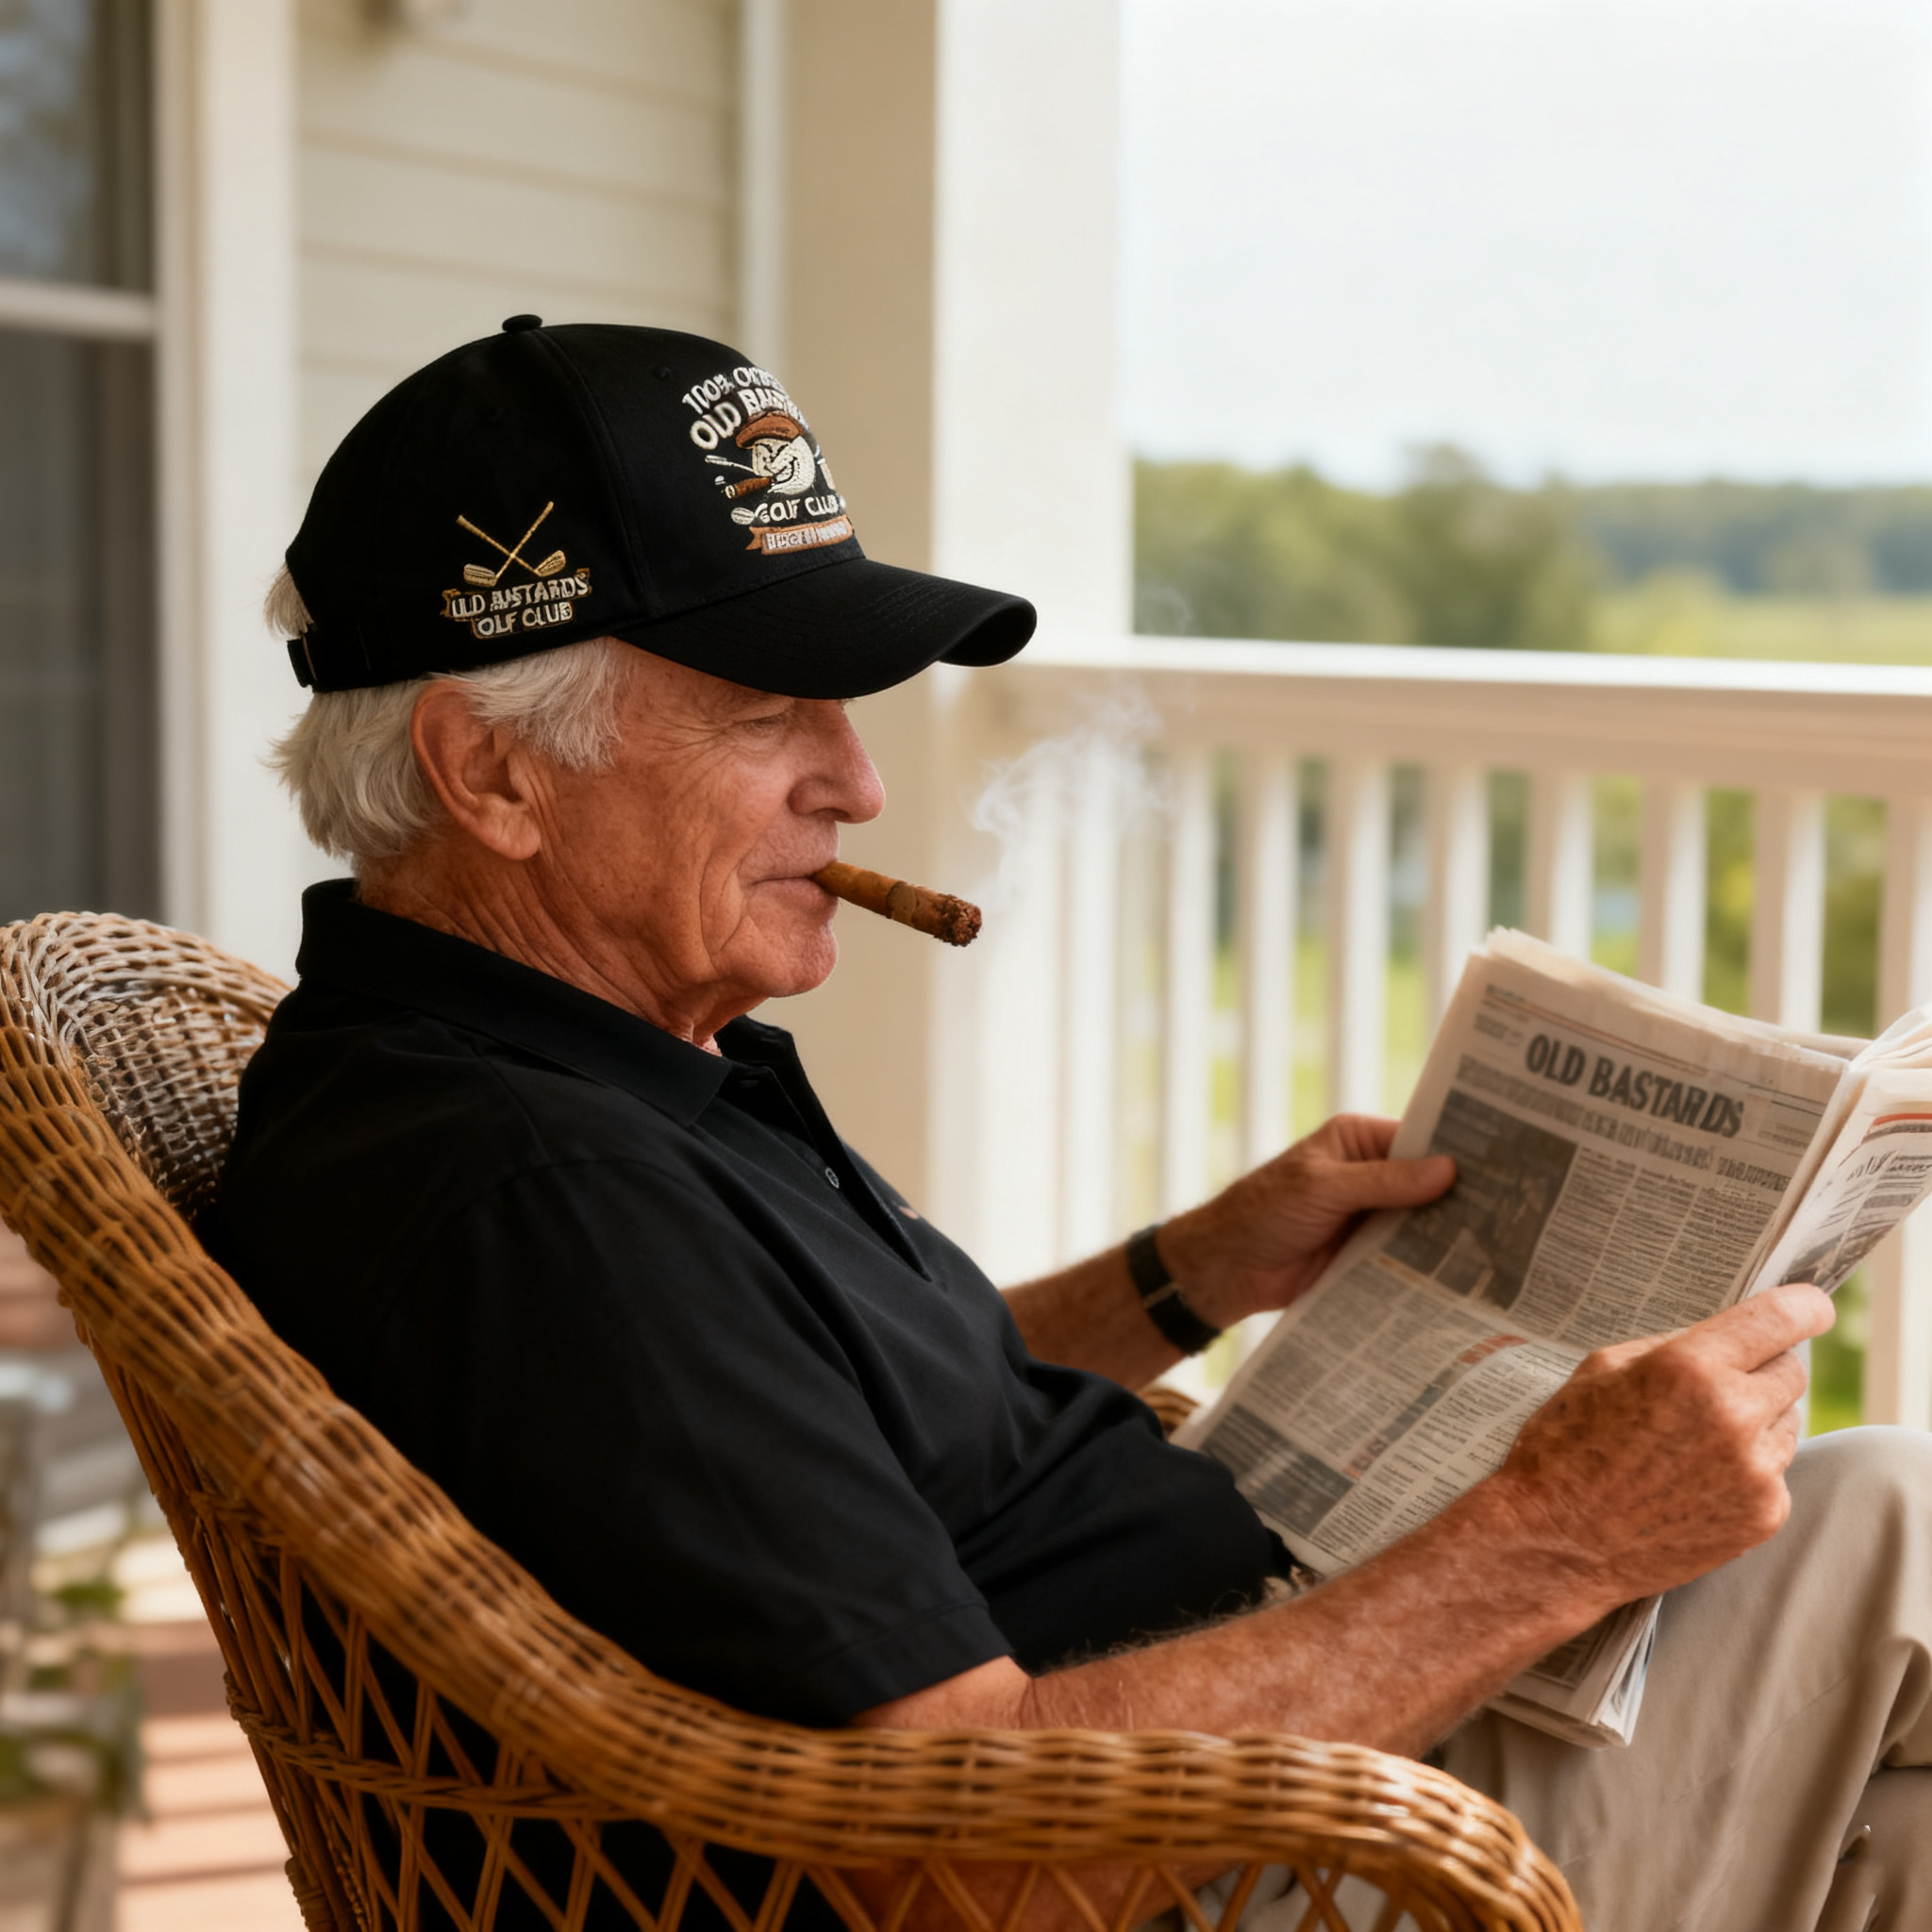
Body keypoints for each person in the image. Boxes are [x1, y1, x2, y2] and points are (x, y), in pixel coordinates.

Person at [209, 318, 1932, 1932]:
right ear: (489, 770)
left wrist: (1183, 1274)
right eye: (764, 712)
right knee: (1894, 1523)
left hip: (1233, 1740)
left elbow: (817, 1458)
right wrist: (1555, 1535)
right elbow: (952, 1869)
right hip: (1248, 1868)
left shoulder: (550, 1070)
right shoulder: (550, 1195)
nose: (859, 784)